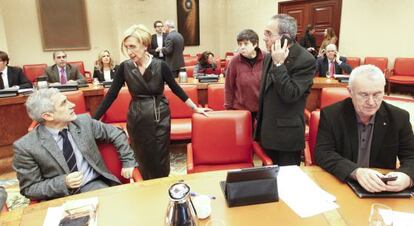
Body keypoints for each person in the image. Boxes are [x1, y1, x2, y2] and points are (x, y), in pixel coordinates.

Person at [93, 24, 209, 180]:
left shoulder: (161, 65)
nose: (129, 51)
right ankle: (145, 190)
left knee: (159, 158)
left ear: (145, 45)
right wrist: (93, 120)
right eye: (127, 47)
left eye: (133, 46)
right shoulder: (124, 67)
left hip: (159, 117)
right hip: (137, 118)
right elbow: (111, 95)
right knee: (141, 157)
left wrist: (196, 108)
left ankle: (161, 186)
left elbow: (176, 89)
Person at [12, 88, 137, 201]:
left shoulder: (84, 122)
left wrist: (128, 161)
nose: (73, 105)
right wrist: (63, 182)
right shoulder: (26, 146)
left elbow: (117, 133)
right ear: (48, 116)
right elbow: (29, 189)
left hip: (94, 186)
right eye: (64, 103)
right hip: (57, 198)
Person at [315, 65, 414, 193]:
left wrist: (406, 178)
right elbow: (323, 153)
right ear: (350, 91)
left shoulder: (399, 117)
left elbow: (411, 156)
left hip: (383, 190)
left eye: (377, 94)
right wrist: (355, 172)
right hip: (343, 186)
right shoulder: (331, 115)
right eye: (364, 95)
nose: (371, 102)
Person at [254, 14, 316, 166]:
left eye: (269, 34)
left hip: (287, 137)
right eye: (265, 33)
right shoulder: (269, 56)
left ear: (285, 37)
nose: (264, 38)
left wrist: (279, 65)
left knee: (287, 185)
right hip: (267, 131)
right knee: (268, 182)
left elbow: (291, 94)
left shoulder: (305, 59)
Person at [225, 29, 265, 127]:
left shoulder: (267, 58)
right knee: (243, 140)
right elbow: (229, 87)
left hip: (263, 109)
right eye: (240, 44)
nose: (242, 47)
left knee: (261, 140)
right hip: (241, 110)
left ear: (255, 44)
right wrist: (229, 109)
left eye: (246, 44)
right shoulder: (234, 62)